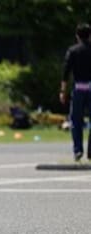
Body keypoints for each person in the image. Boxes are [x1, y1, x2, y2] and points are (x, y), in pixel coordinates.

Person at [60, 23, 91, 161]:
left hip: (79, 88)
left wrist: (62, 91)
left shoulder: (73, 51)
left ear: (77, 36)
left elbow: (66, 72)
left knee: (76, 121)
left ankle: (78, 150)